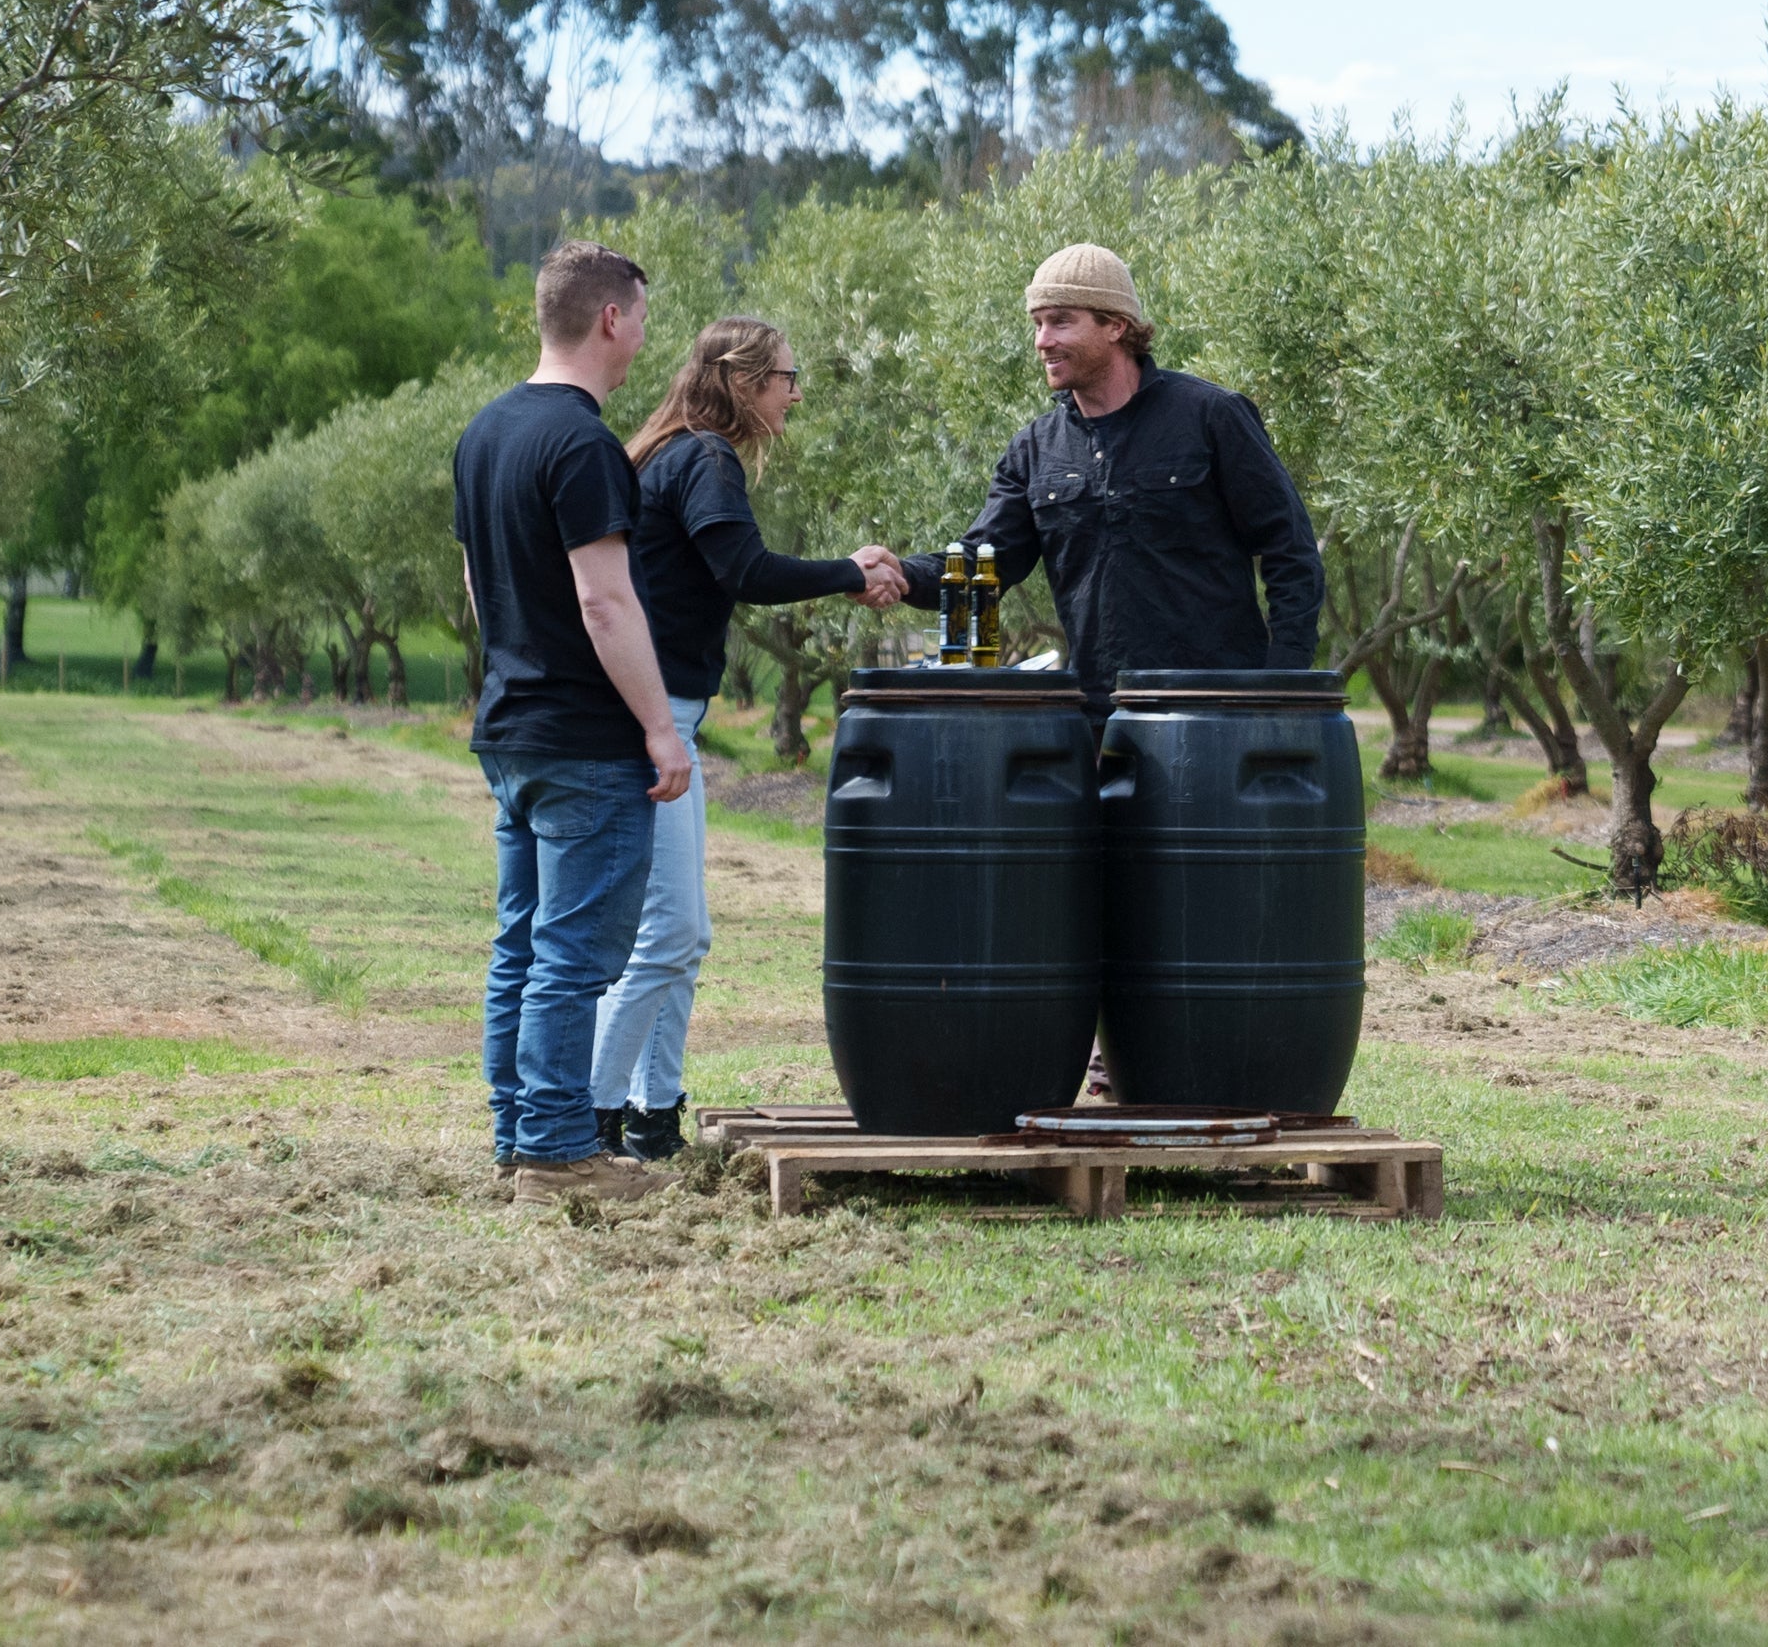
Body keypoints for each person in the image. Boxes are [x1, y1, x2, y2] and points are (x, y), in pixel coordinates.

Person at [592, 317, 905, 1160]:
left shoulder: (669, 452)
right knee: (670, 934)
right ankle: (587, 1121)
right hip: (657, 723)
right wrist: (851, 572)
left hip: (662, 717)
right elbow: (746, 570)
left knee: (674, 935)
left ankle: (654, 1113)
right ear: (743, 380)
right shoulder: (706, 459)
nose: (795, 394)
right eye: (787, 379)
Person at [453, 240, 693, 1207]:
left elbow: (479, 585)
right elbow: (607, 603)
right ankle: (557, 1153)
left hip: (510, 729)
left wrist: (517, 663)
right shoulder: (584, 444)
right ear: (608, 318)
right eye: (639, 317)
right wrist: (659, 730)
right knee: (571, 953)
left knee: (520, 943)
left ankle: (517, 1134)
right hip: (585, 744)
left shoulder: (485, 432)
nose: (643, 337)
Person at [902, 243, 1325, 702]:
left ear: (1116, 326)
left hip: (1215, 714)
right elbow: (983, 563)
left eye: (1061, 321)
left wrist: (1283, 682)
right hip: (1096, 718)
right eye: (1038, 324)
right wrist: (899, 576)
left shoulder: (1212, 417)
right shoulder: (1033, 449)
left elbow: (1291, 549)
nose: (1043, 341)